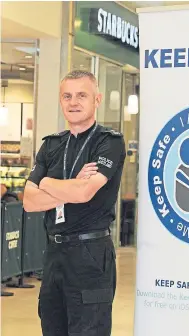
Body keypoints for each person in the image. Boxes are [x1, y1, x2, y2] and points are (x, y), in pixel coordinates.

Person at [23, 70, 126, 336]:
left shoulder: (109, 143)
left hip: (91, 254)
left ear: (97, 99)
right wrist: (70, 185)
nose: (74, 102)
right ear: (61, 101)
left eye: (82, 95)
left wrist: (46, 183)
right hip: (54, 255)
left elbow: (85, 193)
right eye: (67, 96)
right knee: (52, 327)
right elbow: (29, 202)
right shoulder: (51, 145)